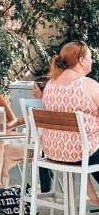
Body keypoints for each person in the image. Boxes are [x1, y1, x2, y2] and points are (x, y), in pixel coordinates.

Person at [40, 41, 99, 204]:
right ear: (81, 60)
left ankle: (93, 196)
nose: (92, 60)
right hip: (83, 152)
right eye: (90, 57)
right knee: (92, 148)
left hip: (55, 150)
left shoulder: (50, 84)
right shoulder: (88, 85)